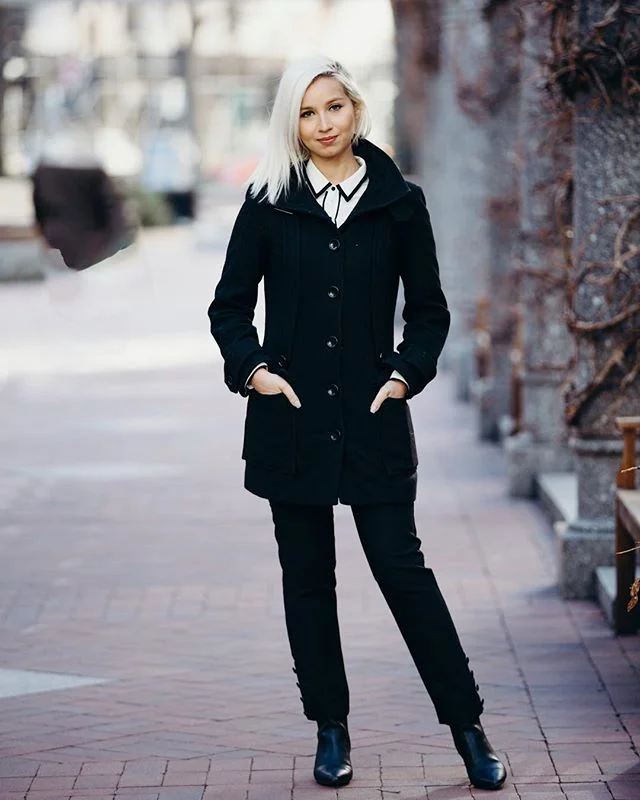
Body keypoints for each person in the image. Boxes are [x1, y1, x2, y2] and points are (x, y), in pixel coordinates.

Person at [208, 56, 506, 791]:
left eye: (334, 107)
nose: (324, 124)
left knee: (403, 572)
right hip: (292, 421)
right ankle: (331, 729)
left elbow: (431, 310)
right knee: (309, 580)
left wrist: (407, 373)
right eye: (308, 114)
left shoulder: (400, 202)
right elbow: (229, 307)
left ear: (356, 108)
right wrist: (256, 371)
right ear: (294, 124)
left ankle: (468, 728)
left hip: (374, 422)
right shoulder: (268, 202)